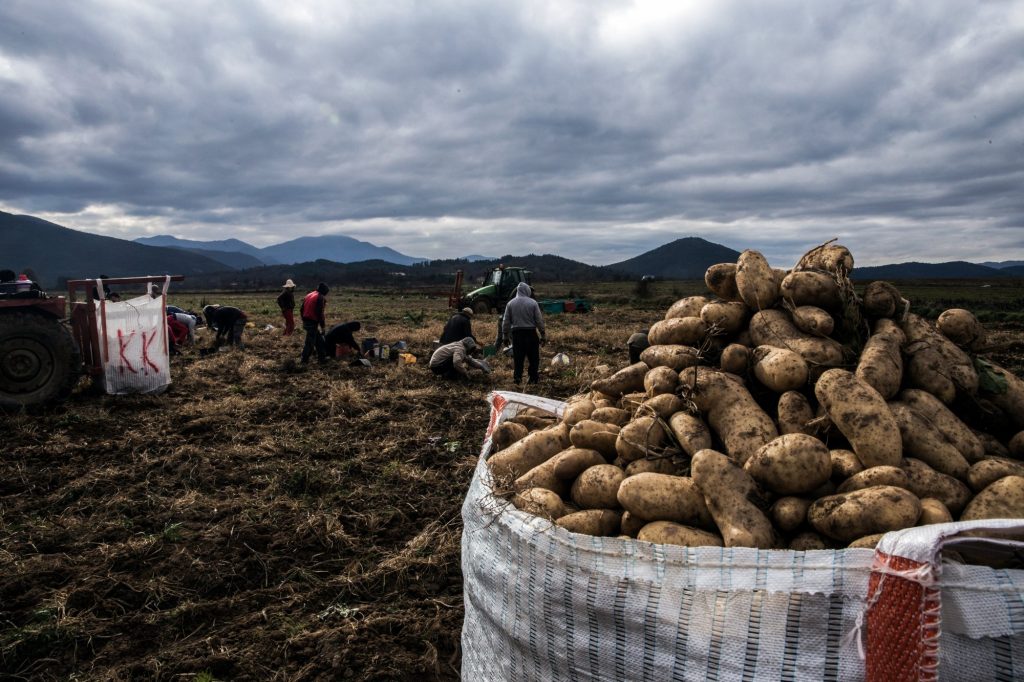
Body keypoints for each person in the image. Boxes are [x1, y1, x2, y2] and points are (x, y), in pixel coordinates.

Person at [501, 282, 545, 385]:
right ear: (527, 291)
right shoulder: (533, 303)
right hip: (531, 333)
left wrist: (505, 336)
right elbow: (539, 320)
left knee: (518, 358)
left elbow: (506, 321)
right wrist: (543, 334)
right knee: (533, 358)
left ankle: (517, 379)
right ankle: (533, 379)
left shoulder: (510, 303)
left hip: (517, 335)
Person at [300, 282, 330, 364]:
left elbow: (301, 309)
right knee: (310, 343)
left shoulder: (309, 294)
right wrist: (323, 326)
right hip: (311, 322)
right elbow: (320, 313)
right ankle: (304, 360)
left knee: (319, 341)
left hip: (306, 320)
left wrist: (303, 319)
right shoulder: (320, 298)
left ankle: (322, 358)